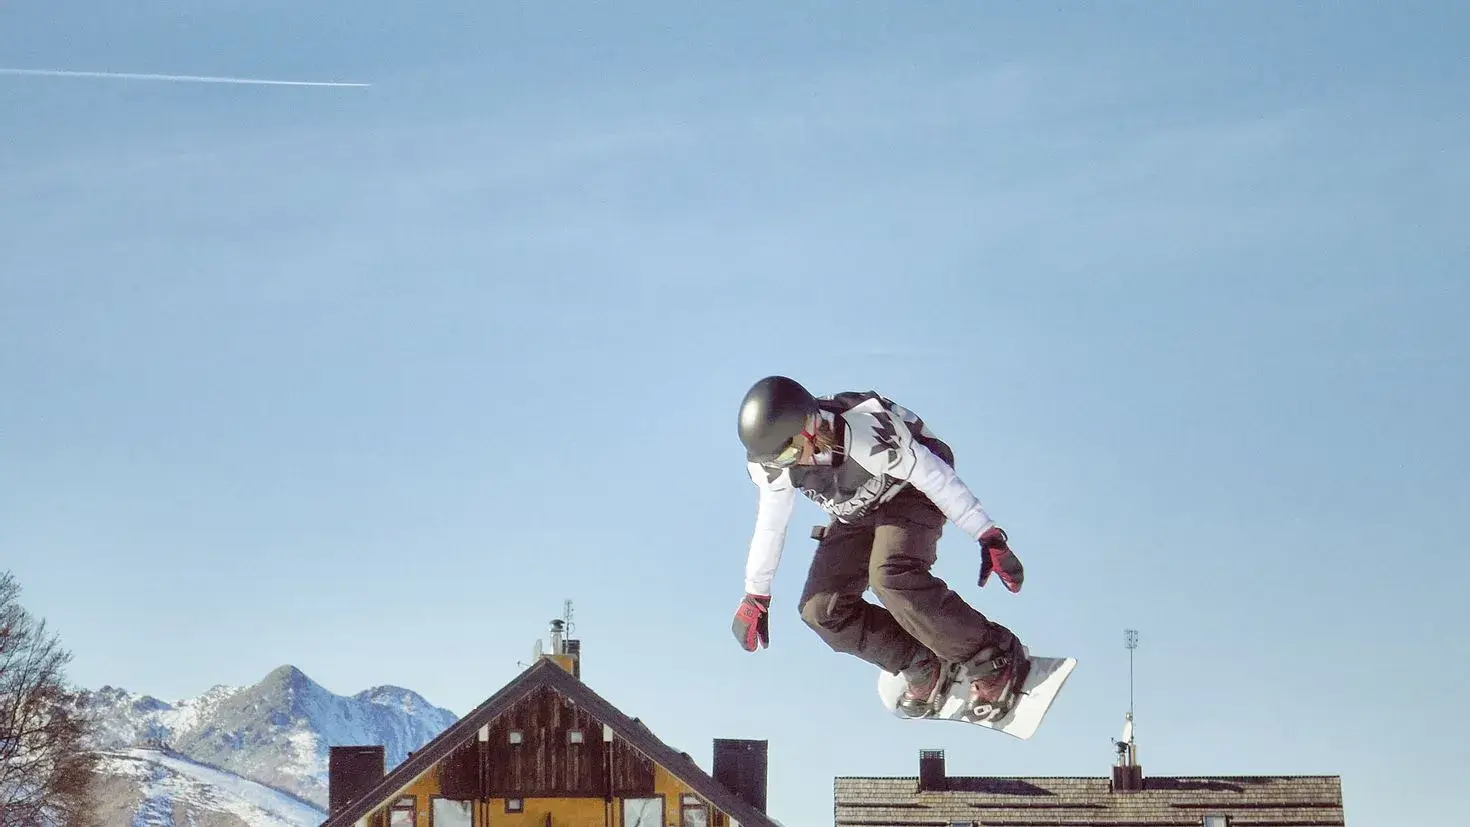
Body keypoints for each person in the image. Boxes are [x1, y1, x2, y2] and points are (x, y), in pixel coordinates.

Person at [730, 375, 1030, 718]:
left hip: (911, 490)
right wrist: (756, 594)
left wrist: (987, 535)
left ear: (810, 425)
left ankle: (992, 657)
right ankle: (922, 662)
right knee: (821, 611)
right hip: (855, 511)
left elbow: (934, 477)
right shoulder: (775, 466)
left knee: (890, 575)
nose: (789, 464)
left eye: (789, 453)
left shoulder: (868, 430)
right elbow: (771, 524)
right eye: (778, 460)